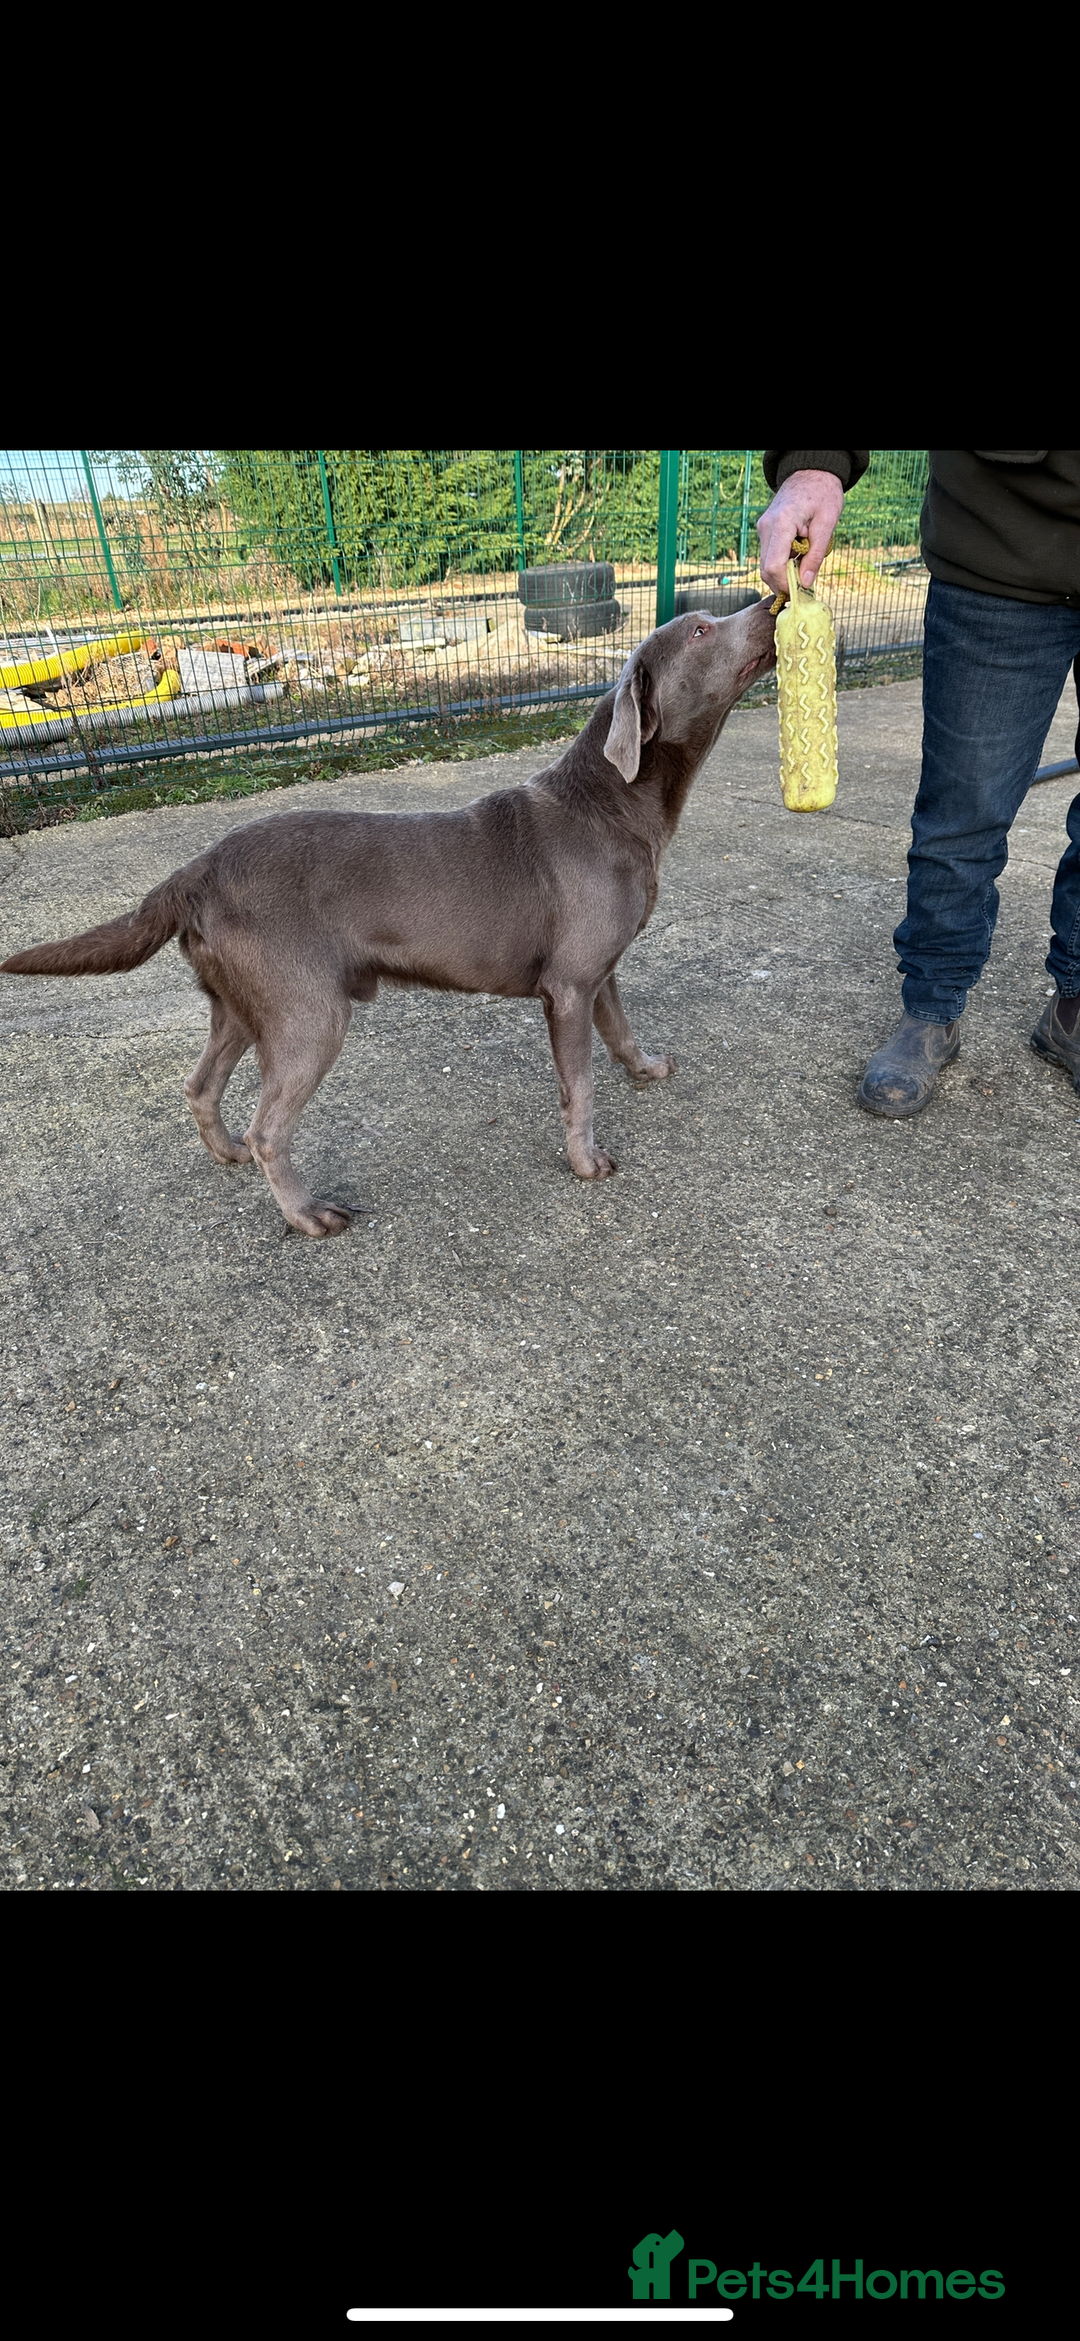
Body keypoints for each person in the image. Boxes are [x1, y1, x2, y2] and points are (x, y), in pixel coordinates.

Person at [756, 451, 1080, 1116]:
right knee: (962, 811)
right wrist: (814, 464)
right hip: (1001, 544)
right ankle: (932, 1008)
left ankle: (1073, 1011)